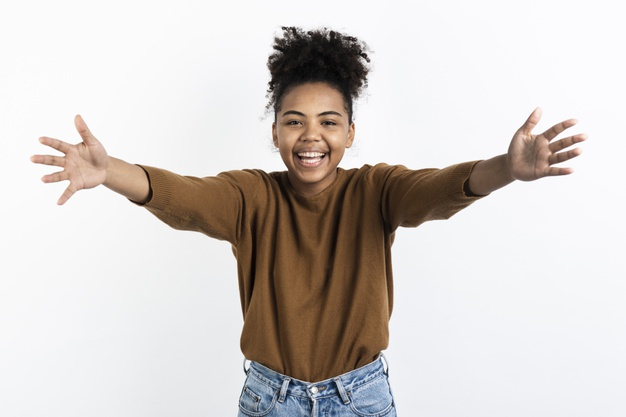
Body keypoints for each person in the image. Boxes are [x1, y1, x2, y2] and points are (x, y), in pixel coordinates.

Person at [31, 27, 586, 417]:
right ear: (275, 133)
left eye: (328, 121)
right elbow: (187, 197)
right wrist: (111, 172)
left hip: (362, 398)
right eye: (294, 122)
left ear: (349, 132)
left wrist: (504, 170)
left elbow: (436, 190)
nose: (311, 136)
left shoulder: (376, 190)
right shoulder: (252, 196)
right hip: (269, 398)